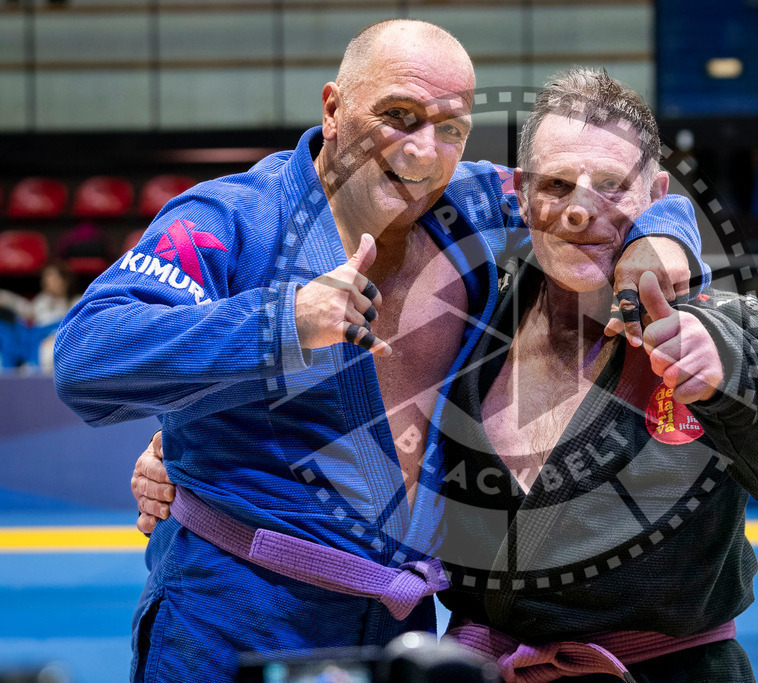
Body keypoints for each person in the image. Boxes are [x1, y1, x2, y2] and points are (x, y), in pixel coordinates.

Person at [136, 67, 758, 682]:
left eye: (611, 184)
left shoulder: (726, 323)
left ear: (658, 195)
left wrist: (729, 380)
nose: (580, 209)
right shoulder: (475, 311)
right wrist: (189, 449)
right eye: (557, 184)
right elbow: (361, 403)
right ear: (521, 194)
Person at [54, 21, 708, 683]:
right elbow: (88, 353)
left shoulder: (475, 208)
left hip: (400, 626)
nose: (425, 152)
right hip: (234, 610)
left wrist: (667, 235)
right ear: (333, 108)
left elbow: (603, 191)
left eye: (451, 128)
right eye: (399, 116)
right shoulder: (231, 218)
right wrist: (281, 321)